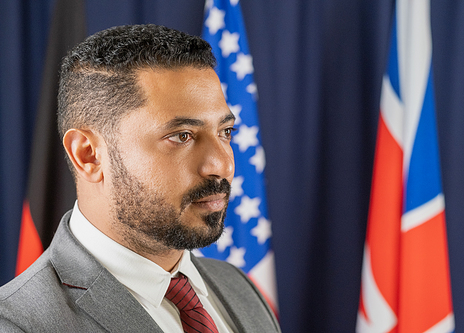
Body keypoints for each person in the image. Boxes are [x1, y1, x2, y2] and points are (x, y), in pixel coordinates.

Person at [0, 24, 280, 333]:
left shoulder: (240, 289)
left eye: (225, 132)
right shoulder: (17, 324)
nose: (223, 165)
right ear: (88, 155)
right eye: (182, 136)